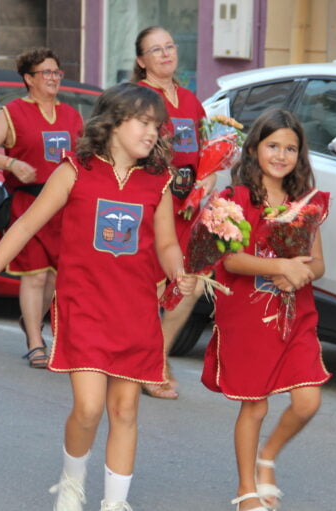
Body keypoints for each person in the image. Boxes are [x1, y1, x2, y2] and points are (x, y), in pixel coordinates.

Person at [0, 83, 196, 511]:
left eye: (156, 126)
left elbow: (165, 244)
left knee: (125, 411)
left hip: (136, 309)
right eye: (143, 123)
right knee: (87, 409)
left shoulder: (157, 181)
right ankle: (71, 481)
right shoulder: (75, 169)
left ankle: (114, 504)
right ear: (114, 122)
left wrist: (179, 269)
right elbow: (26, 225)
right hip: (84, 305)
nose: (152, 133)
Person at [201, 109, 330, 511]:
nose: (281, 155)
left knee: (308, 400)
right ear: (255, 148)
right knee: (254, 404)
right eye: (273, 145)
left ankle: (268, 456)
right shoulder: (233, 199)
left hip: (295, 314)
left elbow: (319, 264)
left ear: (299, 155)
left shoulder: (303, 204)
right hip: (246, 316)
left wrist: (299, 275)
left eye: (290, 148)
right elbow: (232, 262)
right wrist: (280, 266)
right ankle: (246, 490)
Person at [0, 47, 83, 368]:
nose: (53, 78)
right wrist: (12, 163)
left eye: (56, 72)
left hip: (64, 209)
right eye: (45, 73)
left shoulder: (72, 116)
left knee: (54, 280)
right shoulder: (13, 113)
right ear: (28, 79)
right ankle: (36, 341)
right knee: (34, 276)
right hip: (28, 202)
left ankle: (31, 321)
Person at [132, 26, 213, 399]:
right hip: (151, 202)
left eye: (170, 46)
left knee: (191, 285)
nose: (165, 54)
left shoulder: (192, 101)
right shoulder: (137, 98)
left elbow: (205, 151)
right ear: (141, 60)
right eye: (155, 49)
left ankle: (157, 357)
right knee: (153, 287)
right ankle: (149, 364)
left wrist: (208, 177)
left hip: (189, 207)